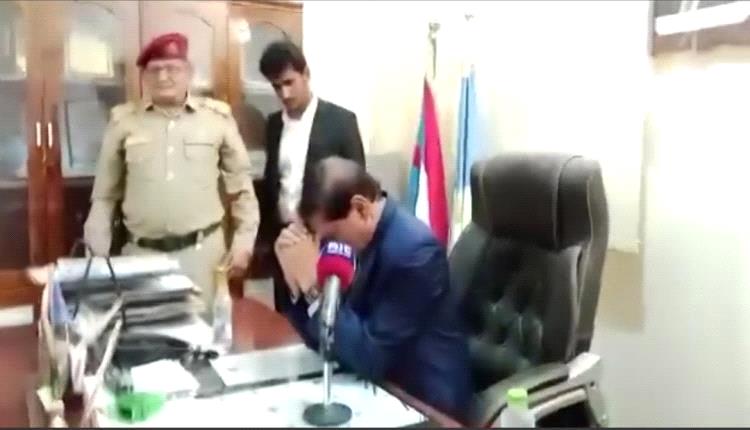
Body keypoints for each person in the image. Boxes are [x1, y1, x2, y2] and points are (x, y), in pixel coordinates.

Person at [275, 157, 472, 420]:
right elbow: (325, 340)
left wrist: (313, 288)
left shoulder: (414, 253)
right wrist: (296, 282)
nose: (324, 246)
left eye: (330, 237)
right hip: (369, 382)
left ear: (361, 209)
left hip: (425, 403)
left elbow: (371, 356)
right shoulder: (355, 239)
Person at [83, 33, 259, 317]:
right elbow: (104, 197)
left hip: (204, 258)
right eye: (155, 70)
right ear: (143, 76)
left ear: (189, 72)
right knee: (146, 334)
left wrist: (244, 243)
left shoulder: (217, 120)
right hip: (141, 257)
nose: (163, 77)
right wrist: (97, 259)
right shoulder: (123, 123)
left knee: (203, 335)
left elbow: (242, 190)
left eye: (172, 68)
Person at [258, 40, 366, 314]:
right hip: (283, 238)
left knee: (323, 316)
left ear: (306, 74)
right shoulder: (273, 124)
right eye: (276, 87)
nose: (284, 93)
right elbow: (273, 182)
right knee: (286, 317)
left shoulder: (341, 121)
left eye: (289, 82)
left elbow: (358, 185)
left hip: (324, 238)